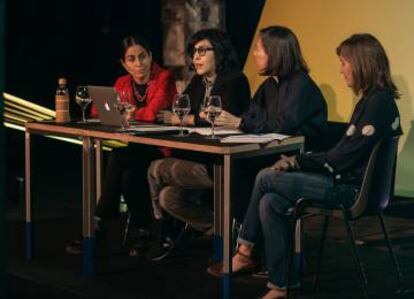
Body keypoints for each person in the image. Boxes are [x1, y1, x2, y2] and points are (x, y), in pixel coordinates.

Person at [208, 33, 402, 299]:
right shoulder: (371, 100)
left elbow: (343, 157)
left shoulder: (378, 103)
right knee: (270, 203)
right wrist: (299, 162)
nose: (341, 69)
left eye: (344, 62)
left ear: (361, 63)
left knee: (265, 177)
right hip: (342, 180)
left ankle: (244, 251)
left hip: (351, 190)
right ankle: (281, 286)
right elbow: (341, 152)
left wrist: (298, 161)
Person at [145, 28, 251, 260]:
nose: (196, 57)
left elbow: (223, 117)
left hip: (222, 164)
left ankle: (161, 235)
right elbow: (179, 110)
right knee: (169, 198)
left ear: (220, 52)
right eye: (194, 52)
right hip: (198, 157)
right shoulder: (199, 82)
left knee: (155, 169)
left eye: (203, 51)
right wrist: (193, 116)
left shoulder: (235, 80)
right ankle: (224, 231)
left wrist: (192, 117)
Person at [65, 35, 177, 254]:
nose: (138, 63)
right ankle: (143, 232)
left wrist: (133, 114)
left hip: (161, 148)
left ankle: (97, 224)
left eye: (143, 56)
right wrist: (126, 114)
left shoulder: (164, 77)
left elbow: (154, 113)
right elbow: (98, 112)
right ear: (124, 63)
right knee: (128, 175)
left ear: (151, 56)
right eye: (132, 59)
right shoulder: (122, 83)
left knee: (117, 157)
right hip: (136, 148)